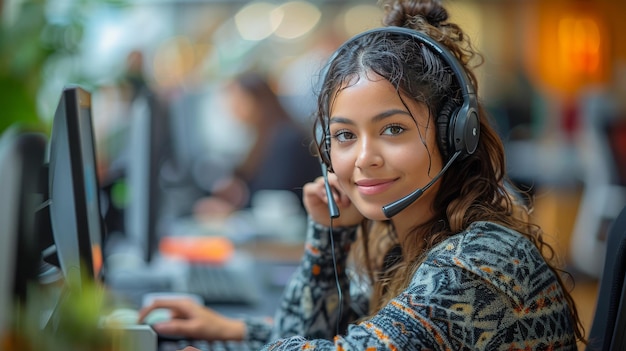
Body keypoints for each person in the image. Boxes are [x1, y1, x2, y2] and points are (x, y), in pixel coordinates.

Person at [139, 0, 586, 349]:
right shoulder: (398, 242)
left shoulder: (477, 261)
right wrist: (327, 237)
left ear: (455, 135)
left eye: (393, 129)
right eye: (346, 136)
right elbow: (315, 335)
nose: (363, 158)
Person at [193, 71, 321, 218]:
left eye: (238, 100)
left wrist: (235, 210)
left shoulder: (287, 139)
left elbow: (276, 195)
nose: (231, 108)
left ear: (257, 100)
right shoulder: (260, 138)